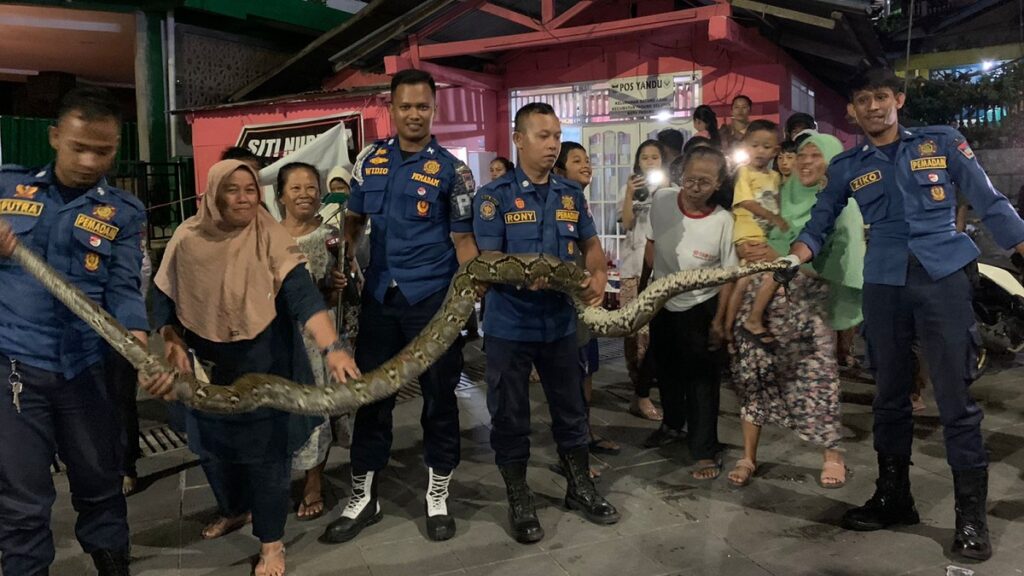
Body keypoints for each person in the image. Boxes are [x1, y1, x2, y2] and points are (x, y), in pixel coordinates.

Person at [784, 67, 1024, 561]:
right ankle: (895, 499)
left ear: (898, 99)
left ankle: (970, 516)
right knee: (889, 396)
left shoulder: (942, 143)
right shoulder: (850, 164)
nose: (872, 107)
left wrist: (1021, 245)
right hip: (885, 283)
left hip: (944, 278)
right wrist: (796, 255)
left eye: (880, 97)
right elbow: (821, 219)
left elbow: (988, 200)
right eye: (862, 100)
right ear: (853, 109)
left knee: (955, 398)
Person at [145, 159, 359, 576]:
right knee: (212, 449)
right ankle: (234, 509)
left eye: (250, 189)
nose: (244, 198)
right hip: (207, 371)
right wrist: (171, 341)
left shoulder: (270, 237)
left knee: (268, 459)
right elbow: (161, 299)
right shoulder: (186, 239)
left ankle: (271, 543)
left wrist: (332, 347)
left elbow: (303, 298)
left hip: (267, 367)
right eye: (233, 190)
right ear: (212, 194)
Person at [321, 69, 478, 545]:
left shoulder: (455, 171)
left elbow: (465, 241)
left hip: (432, 299)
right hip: (379, 299)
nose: (414, 114)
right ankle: (364, 495)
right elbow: (354, 220)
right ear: (391, 108)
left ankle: (438, 492)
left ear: (434, 109)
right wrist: (343, 256)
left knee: (438, 397)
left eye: (422, 106)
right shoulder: (370, 159)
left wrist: (471, 300)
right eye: (405, 106)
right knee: (371, 397)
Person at [0, 86, 147, 576]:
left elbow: (124, 288)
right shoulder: (7, 190)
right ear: (54, 136)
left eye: (102, 151)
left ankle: (113, 564)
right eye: (78, 147)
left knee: (100, 483)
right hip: (17, 367)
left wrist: (138, 343)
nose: (89, 160)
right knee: (21, 499)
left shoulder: (123, 212)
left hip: (87, 368)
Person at [472, 102, 618, 544]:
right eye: (543, 136)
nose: (552, 144)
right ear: (519, 140)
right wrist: (524, 270)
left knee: (572, 410)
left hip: (559, 325)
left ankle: (580, 487)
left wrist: (598, 273)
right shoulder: (493, 197)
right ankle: (520, 498)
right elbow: (487, 258)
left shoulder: (571, 194)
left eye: (556, 136)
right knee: (510, 416)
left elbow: (591, 245)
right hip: (509, 327)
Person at [727, 133, 863, 490]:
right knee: (753, 376)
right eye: (802, 154)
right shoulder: (780, 194)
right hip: (763, 299)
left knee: (818, 378)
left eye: (816, 155)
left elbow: (838, 264)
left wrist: (781, 258)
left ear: (832, 162)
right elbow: (753, 234)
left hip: (808, 307)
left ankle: (833, 455)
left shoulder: (839, 204)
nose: (805, 162)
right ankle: (748, 456)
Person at [642, 146, 737, 481]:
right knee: (666, 370)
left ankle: (704, 449)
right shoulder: (663, 200)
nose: (695, 187)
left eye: (705, 182)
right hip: (663, 301)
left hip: (702, 305)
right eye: (690, 179)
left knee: (701, 381)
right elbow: (652, 244)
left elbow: (729, 276)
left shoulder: (723, 221)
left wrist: (721, 320)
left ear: (718, 183)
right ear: (680, 176)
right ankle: (671, 425)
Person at [276, 162, 351, 521]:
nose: (305, 194)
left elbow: (347, 290)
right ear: (280, 197)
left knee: (319, 411)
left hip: (322, 341)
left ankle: (314, 483)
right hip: (282, 340)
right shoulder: (269, 239)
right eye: (296, 188)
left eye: (311, 188)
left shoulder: (333, 234)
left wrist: (339, 285)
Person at [554, 141, 619, 473]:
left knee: (587, 372)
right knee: (569, 382)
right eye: (576, 160)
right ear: (559, 169)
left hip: (586, 304)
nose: (586, 165)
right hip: (565, 306)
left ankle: (587, 435)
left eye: (588, 160)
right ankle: (570, 456)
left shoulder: (581, 204)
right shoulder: (555, 202)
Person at [619, 140, 668, 421]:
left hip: (659, 269)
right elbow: (626, 223)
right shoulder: (629, 187)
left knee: (652, 335)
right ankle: (639, 392)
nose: (650, 162)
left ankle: (645, 389)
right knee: (633, 331)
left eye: (655, 157)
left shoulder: (668, 190)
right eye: (645, 157)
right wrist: (629, 193)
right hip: (632, 268)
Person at [725, 120, 784, 344]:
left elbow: (779, 203)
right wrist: (775, 218)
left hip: (766, 236)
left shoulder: (775, 177)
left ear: (775, 151)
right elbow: (746, 202)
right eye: (755, 145)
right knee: (748, 278)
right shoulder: (744, 172)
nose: (760, 151)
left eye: (766, 147)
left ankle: (738, 325)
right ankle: (737, 325)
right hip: (748, 232)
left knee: (754, 279)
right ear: (746, 146)